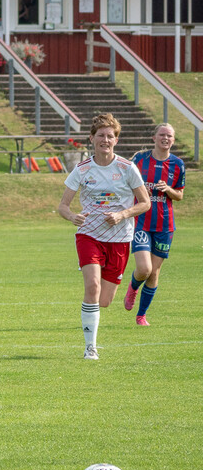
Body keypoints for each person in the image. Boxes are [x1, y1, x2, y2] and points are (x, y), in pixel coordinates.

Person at [57, 113, 150, 360]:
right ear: (92, 138)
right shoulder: (82, 169)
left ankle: (93, 315)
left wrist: (122, 214)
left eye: (110, 136)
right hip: (89, 235)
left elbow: (145, 203)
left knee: (104, 300)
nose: (105, 140)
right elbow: (63, 206)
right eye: (101, 135)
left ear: (116, 140)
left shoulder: (127, 168)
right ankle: (90, 347)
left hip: (119, 239)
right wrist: (72, 216)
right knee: (92, 286)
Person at [122, 123, 185, 326]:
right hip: (141, 221)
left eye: (169, 136)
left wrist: (168, 189)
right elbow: (125, 183)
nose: (166, 138)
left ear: (173, 140)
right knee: (144, 269)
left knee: (154, 272)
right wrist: (140, 191)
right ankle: (133, 288)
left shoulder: (178, 164)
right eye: (162, 135)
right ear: (154, 138)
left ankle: (141, 315)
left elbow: (179, 195)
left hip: (164, 225)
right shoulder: (140, 160)